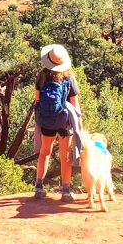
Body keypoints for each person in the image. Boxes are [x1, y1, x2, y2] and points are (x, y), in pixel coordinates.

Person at [33, 44, 80, 201]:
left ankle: (39, 187)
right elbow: (74, 103)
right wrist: (79, 125)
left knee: (45, 151)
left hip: (46, 121)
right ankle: (65, 191)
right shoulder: (69, 77)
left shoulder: (42, 76)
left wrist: (40, 119)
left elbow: (37, 100)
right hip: (64, 122)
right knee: (65, 156)